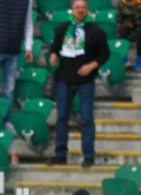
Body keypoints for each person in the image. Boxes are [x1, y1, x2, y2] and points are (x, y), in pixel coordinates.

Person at [49, 0, 109, 167]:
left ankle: (88, 156)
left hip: (86, 81)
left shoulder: (96, 31)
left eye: (83, 7)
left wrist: (91, 66)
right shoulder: (62, 29)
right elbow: (55, 48)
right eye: (77, 8)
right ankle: (60, 154)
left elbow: (104, 54)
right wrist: (53, 56)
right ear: (72, 10)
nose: (80, 10)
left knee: (87, 118)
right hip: (64, 79)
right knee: (62, 117)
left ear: (87, 10)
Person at [0, 0, 35, 128]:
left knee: (9, 90)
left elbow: (28, 24)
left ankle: (7, 120)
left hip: (13, 51)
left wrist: (28, 47)